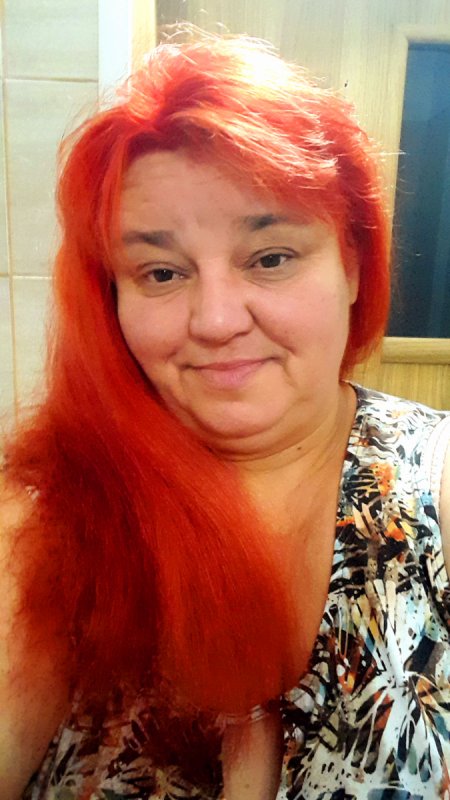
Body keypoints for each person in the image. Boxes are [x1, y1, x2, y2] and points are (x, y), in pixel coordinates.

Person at [1, 28, 449, 800]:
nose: (214, 321)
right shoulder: (43, 516)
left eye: (270, 258)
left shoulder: (435, 481)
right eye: (161, 272)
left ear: (352, 264)